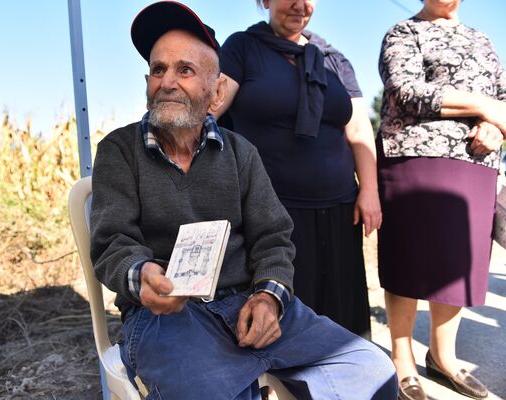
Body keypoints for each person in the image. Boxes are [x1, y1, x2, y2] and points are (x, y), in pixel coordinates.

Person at [89, 2, 397, 399]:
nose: (166, 82)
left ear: (216, 90)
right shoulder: (119, 150)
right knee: (208, 390)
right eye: (158, 69)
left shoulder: (240, 153)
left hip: (246, 303)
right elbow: (112, 241)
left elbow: (273, 236)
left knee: (370, 369)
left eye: (185, 70)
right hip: (166, 317)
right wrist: (141, 274)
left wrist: (269, 296)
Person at [215, 0, 380, 339]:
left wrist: (370, 190)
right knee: (283, 320)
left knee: (342, 320)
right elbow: (211, 110)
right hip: (272, 214)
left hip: (339, 209)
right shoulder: (242, 48)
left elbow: (360, 130)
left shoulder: (334, 60)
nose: (300, 4)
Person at [377, 0, 506, 398]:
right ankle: (403, 361)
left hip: (475, 162)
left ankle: (443, 357)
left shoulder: (481, 40)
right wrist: (484, 108)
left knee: (456, 263)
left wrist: (497, 129)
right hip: (415, 157)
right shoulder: (404, 32)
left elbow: (504, 99)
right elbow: (408, 90)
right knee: (410, 259)